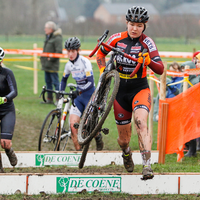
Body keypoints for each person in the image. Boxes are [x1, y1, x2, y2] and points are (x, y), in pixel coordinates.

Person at [96, 6, 164, 179]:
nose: (135, 28)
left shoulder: (147, 43)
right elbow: (100, 54)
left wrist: (148, 61)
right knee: (124, 140)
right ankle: (126, 153)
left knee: (141, 121)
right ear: (126, 23)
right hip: (119, 92)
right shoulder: (116, 38)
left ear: (144, 26)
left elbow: (160, 69)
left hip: (139, 88)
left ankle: (147, 165)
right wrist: (104, 71)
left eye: (139, 25)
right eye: (132, 24)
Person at [60, 37, 104, 151]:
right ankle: (79, 155)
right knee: (73, 127)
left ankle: (98, 136)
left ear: (78, 50)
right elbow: (63, 80)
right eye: (68, 51)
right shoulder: (68, 65)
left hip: (89, 95)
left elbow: (90, 83)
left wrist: (78, 91)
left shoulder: (85, 62)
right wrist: (60, 93)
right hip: (79, 98)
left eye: (73, 51)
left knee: (88, 126)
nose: (70, 54)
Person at [0, 47, 18, 168]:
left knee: (5, 143)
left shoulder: (7, 73)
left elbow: (14, 91)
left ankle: (8, 150)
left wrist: (4, 98)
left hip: (6, 110)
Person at [180, 59, 200, 157]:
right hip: (187, 110)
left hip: (195, 110)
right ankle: (191, 150)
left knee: (194, 130)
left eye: (186, 69)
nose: (184, 71)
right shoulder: (184, 81)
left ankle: (193, 151)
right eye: (183, 69)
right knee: (188, 130)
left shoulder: (196, 81)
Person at [40, 21, 63, 104]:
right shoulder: (48, 37)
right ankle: (49, 99)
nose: (44, 29)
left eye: (46, 28)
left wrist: (51, 59)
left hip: (53, 65)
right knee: (48, 82)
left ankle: (58, 100)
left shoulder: (57, 38)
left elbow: (59, 51)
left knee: (56, 83)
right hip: (46, 65)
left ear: (51, 29)